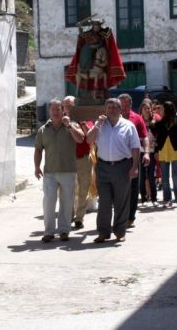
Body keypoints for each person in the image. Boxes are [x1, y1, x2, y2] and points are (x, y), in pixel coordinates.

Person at [85, 98, 140, 243]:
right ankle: (103, 232)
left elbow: (135, 148)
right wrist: (96, 125)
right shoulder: (100, 125)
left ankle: (120, 232)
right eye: (108, 108)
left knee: (121, 201)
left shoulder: (128, 126)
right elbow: (88, 140)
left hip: (122, 166)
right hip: (103, 167)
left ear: (119, 109)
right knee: (104, 201)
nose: (111, 110)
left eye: (114, 107)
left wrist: (134, 167)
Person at [35, 99, 84, 242]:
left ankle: (64, 230)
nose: (56, 112)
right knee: (49, 202)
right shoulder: (43, 129)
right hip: (50, 172)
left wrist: (69, 126)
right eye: (53, 109)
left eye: (58, 109)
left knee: (66, 202)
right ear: (49, 111)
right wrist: (37, 167)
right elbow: (38, 150)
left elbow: (81, 139)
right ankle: (49, 231)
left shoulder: (71, 125)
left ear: (63, 110)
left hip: (68, 171)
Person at [118, 94, 150, 228]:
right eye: (122, 105)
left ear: (131, 105)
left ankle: (130, 217)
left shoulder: (136, 118)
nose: (125, 108)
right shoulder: (112, 118)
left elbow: (145, 137)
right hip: (118, 160)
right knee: (119, 189)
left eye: (127, 105)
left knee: (133, 188)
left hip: (134, 158)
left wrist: (147, 153)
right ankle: (120, 216)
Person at [62, 96, 93, 230]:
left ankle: (79, 218)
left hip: (84, 159)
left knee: (83, 190)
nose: (68, 108)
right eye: (65, 105)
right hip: (68, 160)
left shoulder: (84, 118)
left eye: (70, 105)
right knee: (69, 190)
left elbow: (89, 137)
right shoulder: (60, 120)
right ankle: (69, 215)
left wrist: (84, 123)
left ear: (76, 106)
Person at [152, 101, 177, 207]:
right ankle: (167, 199)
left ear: (167, 110)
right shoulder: (159, 123)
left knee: (175, 175)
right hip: (163, 151)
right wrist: (156, 151)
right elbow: (156, 138)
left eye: (162, 109)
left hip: (176, 151)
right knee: (165, 177)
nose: (160, 111)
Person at [139, 100, 159, 205]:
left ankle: (154, 198)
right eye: (145, 108)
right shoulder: (138, 121)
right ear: (141, 109)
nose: (147, 110)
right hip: (140, 152)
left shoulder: (154, 122)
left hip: (151, 152)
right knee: (142, 176)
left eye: (148, 108)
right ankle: (143, 198)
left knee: (152, 175)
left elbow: (158, 137)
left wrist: (157, 149)